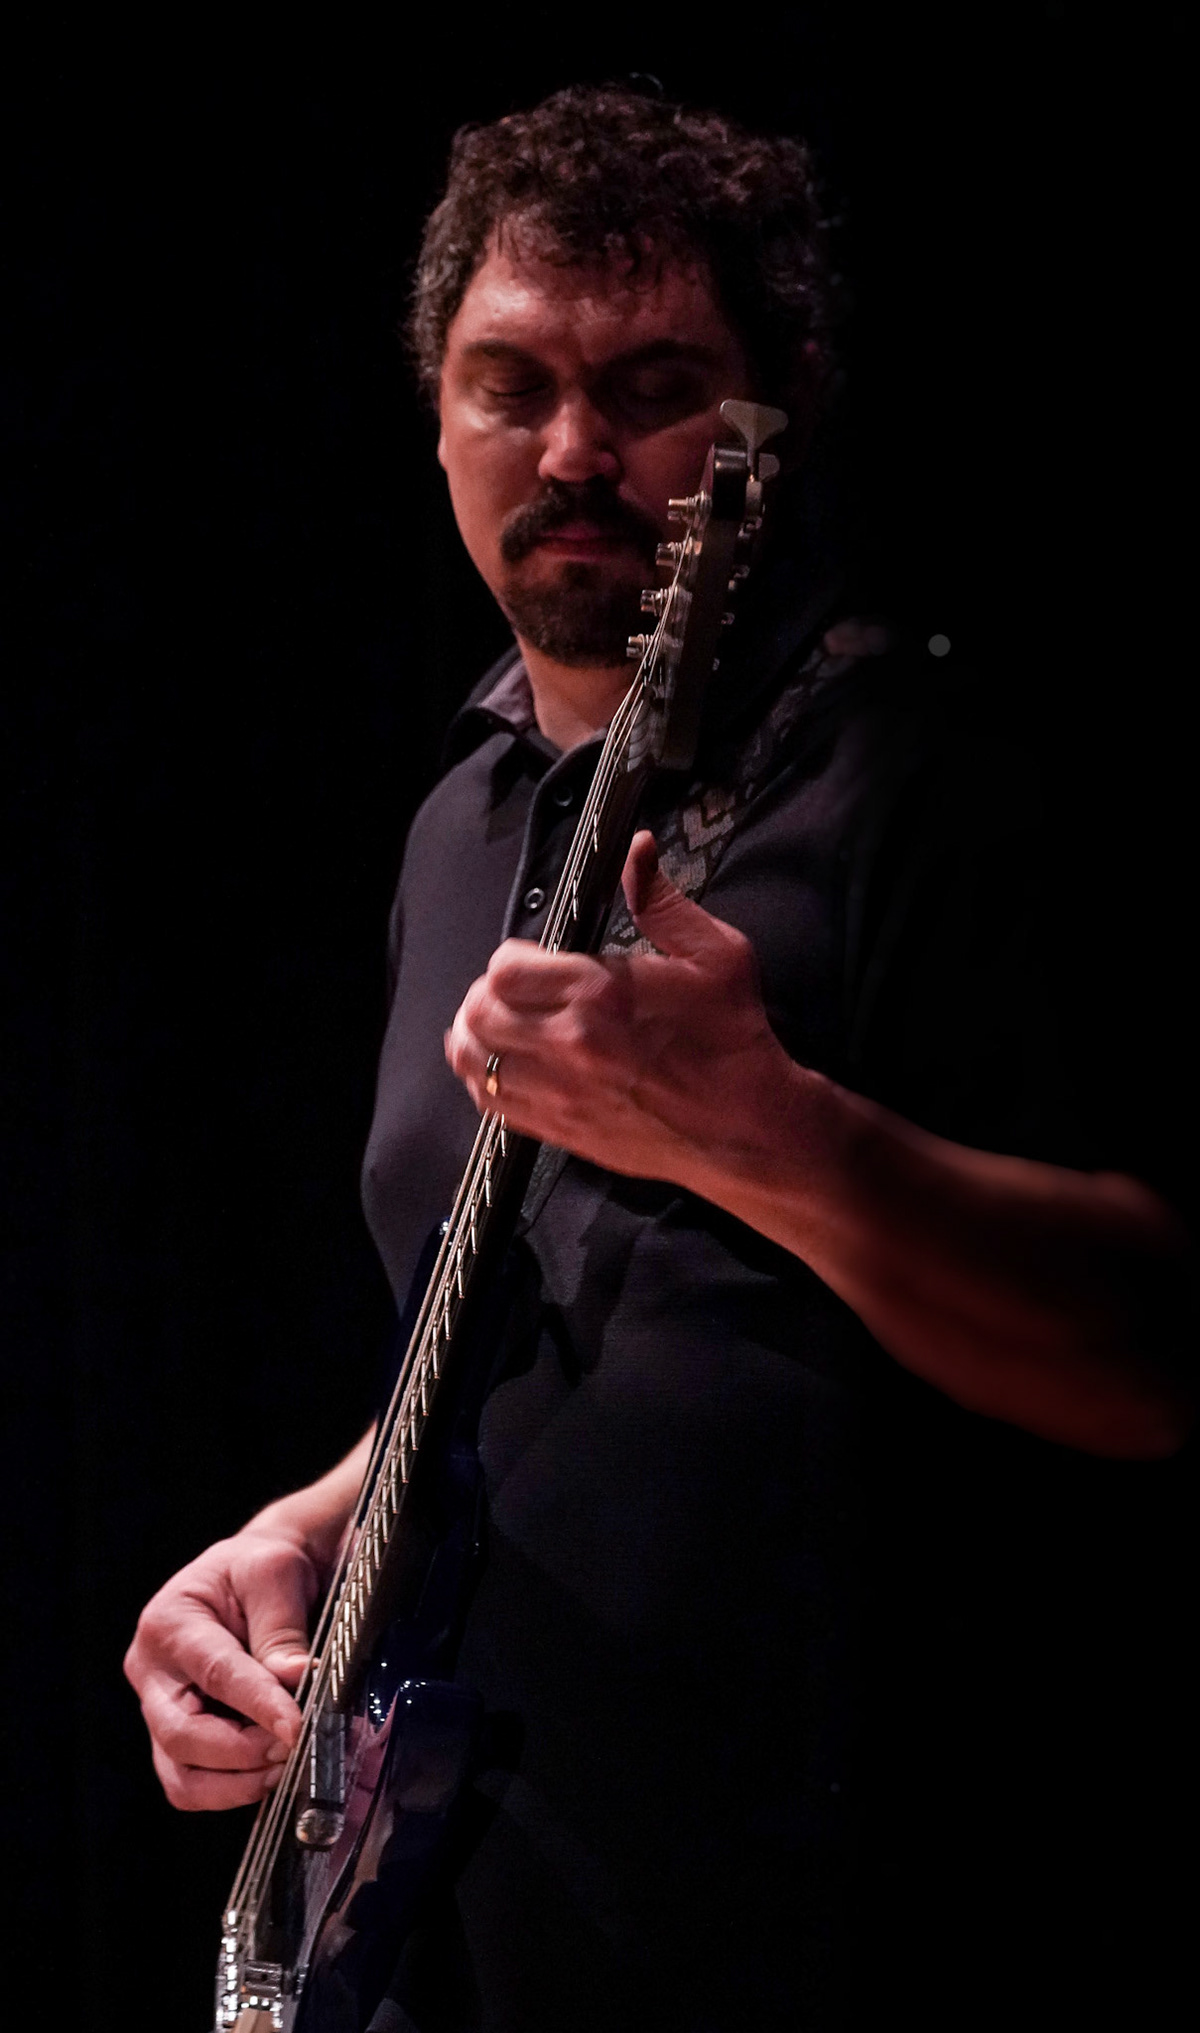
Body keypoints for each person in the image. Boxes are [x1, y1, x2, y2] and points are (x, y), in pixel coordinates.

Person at [125, 88, 1193, 2030]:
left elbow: (1154, 1351)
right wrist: (299, 1533)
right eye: (509, 385)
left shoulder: (935, 784)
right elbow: (524, 1337)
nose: (572, 452)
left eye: (652, 388)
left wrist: (772, 1135)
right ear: (434, 415)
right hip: (483, 1934)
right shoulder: (458, 822)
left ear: (776, 420)